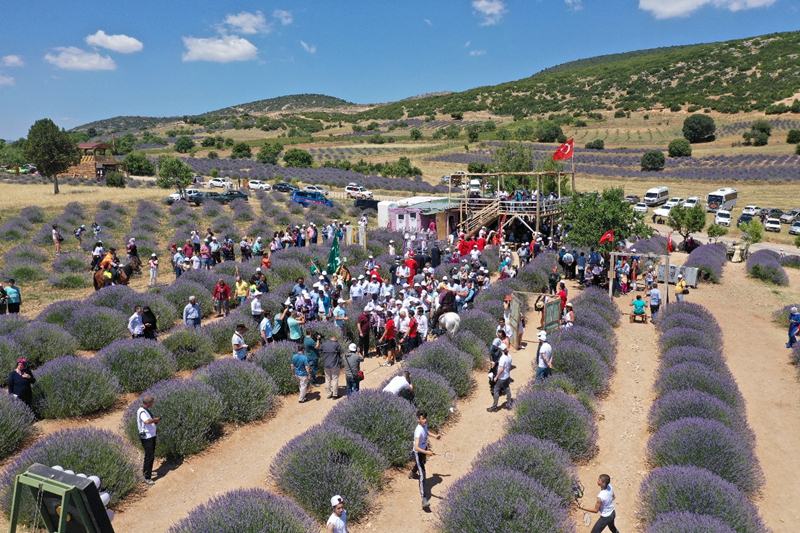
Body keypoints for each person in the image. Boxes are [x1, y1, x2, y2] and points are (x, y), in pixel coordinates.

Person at [410, 410, 440, 510]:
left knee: (421, 464)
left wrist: (435, 436)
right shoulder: (418, 431)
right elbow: (416, 447)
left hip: (424, 450)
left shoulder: (424, 425)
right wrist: (427, 452)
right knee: (422, 474)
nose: (425, 420)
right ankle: (424, 499)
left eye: (425, 418)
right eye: (423, 419)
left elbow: (426, 432)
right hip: (418, 453)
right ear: (418, 420)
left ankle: (412, 473)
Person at [137, 394, 161, 486]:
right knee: (149, 457)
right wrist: (155, 420)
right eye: (152, 403)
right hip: (147, 437)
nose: (153, 404)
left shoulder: (145, 409)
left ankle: (147, 472)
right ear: (148, 403)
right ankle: (147, 477)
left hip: (150, 436)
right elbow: (146, 421)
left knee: (149, 455)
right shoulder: (142, 411)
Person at [488, 344, 512, 412]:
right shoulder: (509, 356)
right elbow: (509, 366)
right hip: (507, 376)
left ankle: (494, 407)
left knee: (496, 390)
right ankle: (509, 404)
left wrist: (496, 377)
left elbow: (501, 369)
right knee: (507, 389)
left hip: (501, 378)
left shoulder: (502, 358)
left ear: (501, 350)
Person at [320, 335, 342, 399]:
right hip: (334, 365)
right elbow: (340, 352)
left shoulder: (324, 344)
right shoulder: (336, 344)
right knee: (335, 379)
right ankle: (335, 395)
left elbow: (320, 351)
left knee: (327, 379)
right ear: (335, 340)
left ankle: (329, 393)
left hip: (326, 365)